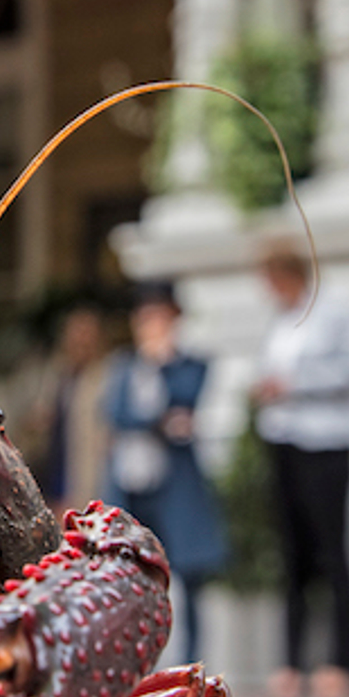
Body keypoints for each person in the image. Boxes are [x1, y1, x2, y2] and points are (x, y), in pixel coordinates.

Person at [253, 243, 349, 697]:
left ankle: (342, 660)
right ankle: (292, 662)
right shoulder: (280, 323)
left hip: (327, 442)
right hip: (285, 440)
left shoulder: (334, 313)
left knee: (332, 552)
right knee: (293, 554)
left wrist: (294, 385)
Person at [102, 282, 227, 665]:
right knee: (129, 571)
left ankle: (191, 661)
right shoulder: (126, 367)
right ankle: (134, 658)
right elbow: (116, 413)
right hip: (131, 481)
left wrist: (161, 366)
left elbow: (187, 401)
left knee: (189, 574)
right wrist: (159, 420)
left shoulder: (188, 365)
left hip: (175, 485)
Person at [31, 304, 113, 513]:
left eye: (87, 334)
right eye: (75, 334)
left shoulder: (107, 377)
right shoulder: (56, 374)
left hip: (86, 478)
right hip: (52, 473)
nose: (80, 341)